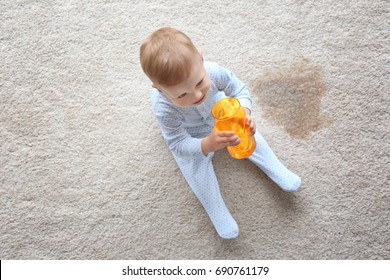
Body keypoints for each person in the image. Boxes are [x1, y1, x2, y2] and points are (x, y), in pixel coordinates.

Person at [140, 27, 301, 239]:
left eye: (199, 82)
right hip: (191, 131)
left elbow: (239, 89)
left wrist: (244, 113)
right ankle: (216, 209)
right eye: (182, 95)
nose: (197, 94)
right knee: (194, 166)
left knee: (247, 134)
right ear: (159, 89)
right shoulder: (163, 107)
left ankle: (276, 168)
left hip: (220, 111)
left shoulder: (213, 71)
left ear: (201, 58)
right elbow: (178, 143)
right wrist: (206, 144)